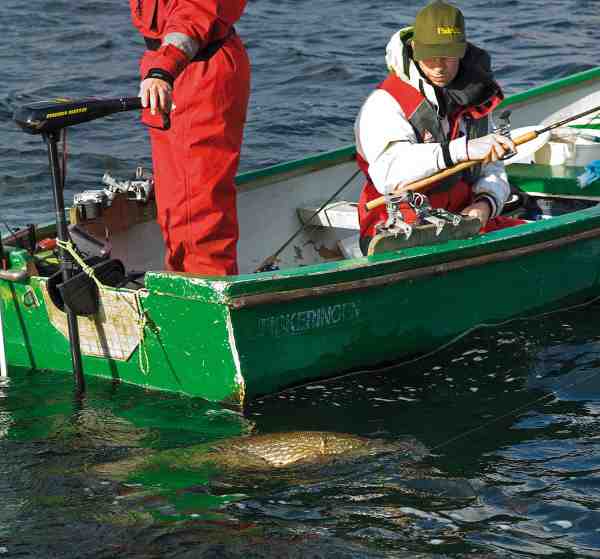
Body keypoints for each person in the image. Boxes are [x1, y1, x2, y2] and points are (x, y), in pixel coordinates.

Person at [355, 0, 516, 254]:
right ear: (415, 49)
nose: (439, 66)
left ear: (462, 51)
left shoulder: (476, 94)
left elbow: (493, 169)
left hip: (464, 222)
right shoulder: (384, 104)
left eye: (448, 56)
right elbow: (389, 174)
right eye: (430, 56)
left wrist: (486, 203)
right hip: (397, 229)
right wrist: (463, 149)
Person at [129, 0, 251, 275]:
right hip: (169, 71)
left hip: (192, 72)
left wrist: (163, 70)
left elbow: (194, 12)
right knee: (176, 203)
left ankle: (206, 301)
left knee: (198, 212)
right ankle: (183, 285)